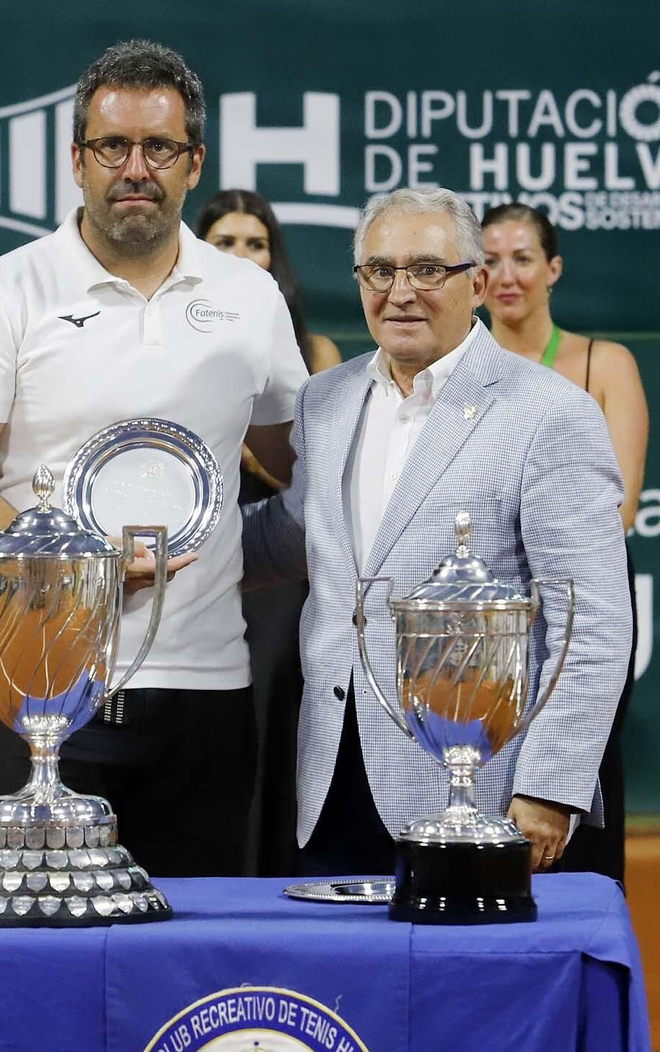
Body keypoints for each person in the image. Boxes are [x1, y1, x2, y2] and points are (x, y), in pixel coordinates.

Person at [0, 40, 308, 875]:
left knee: (194, 975)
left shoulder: (249, 298)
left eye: (158, 147)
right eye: (111, 147)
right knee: (26, 963)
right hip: (34, 689)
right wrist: (78, 562)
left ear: (193, 163)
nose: (135, 168)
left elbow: (300, 455)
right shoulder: (1, 292)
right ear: (77, 161)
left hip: (207, 689)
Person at [242, 187, 632, 877]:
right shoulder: (325, 402)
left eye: (427, 269)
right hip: (332, 778)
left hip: (482, 791)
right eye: (379, 271)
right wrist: (163, 543)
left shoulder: (550, 414)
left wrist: (548, 786)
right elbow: (291, 535)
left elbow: (591, 622)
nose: (400, 292)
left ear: (476, 283)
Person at [481, 203, 650, 884]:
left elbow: (621, 507)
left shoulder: (603, 363)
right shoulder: (464, 368)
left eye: (522, 258)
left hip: (575, 595)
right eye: (489, 259)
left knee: (577, 764)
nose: (505, 274)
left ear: (552, 270)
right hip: (484, 609)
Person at [193, 188, 339, 875]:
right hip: (196, 561)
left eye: (256, 243)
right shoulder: (179, 349)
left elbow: (317, 479)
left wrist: (251, 440)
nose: (244, 256)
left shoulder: (316, 350)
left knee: (275, 706)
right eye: (226, 243)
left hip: (279, 565)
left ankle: (277, 868)